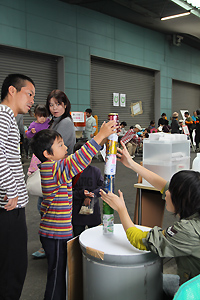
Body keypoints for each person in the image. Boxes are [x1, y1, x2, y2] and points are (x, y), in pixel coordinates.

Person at [100, 141, 200, 300]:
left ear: (182, 200)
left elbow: (140, 240)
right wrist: (131, 164)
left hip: (193, 291)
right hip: (192, 281)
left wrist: (121, 209)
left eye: (170, 192)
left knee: (142, 284)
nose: (165, 194)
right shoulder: (195, 204)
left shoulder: (187, 231)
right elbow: (164, 186)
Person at [30, 120, 118, 300]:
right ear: (48, 154)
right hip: (55, 233)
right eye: (60, 145)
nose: (65, 147)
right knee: (57, 274)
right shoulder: (53, 169)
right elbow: (77, 160)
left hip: (58, 231)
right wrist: (99, 136)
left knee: (61, 271)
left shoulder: (53, 168)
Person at [0, 73, 35, 300]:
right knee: (12, 269)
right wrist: (12, 189)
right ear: (12, 90)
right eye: (29, 94)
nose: (32, 100)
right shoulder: (3, 116)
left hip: (10, 205)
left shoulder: (9, 118)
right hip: (9, 207)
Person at [26, 104, 50, 258]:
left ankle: (46, 247)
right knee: (41, 206)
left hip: (47, 160)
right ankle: (45, 246)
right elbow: (28, 134)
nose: (41, 118)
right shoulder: (34, 125)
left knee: (45, 207)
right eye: (39, 115)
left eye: (43, 115)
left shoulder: (50, 124)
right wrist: (31, 132)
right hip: (38, 160)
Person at [72, 140, 104, 237]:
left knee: (95, 237)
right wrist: (82, 194)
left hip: (93, 212)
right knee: (77, 237)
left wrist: (92, 195)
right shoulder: (72, 171)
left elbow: (103, 187)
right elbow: (67, 192)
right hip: (77, 213)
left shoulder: (95, 171)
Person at [46, 89, 76, 155]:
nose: (54, 108)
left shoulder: (65, 122)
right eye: (51, 105)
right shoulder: (55, 120)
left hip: (62, 162)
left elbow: (53, 146)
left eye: (58, 104)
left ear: (65, 105)